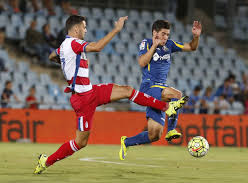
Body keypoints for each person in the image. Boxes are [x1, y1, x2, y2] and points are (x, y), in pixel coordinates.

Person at [34, 15, 187, 174]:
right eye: (84, 27)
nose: (86, 30)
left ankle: (167, 107)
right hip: (83, 99)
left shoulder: (63, 46)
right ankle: (46, 161)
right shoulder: (74, 43)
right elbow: (98, 47)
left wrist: (63, 64)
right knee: (80, 142)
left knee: (127, 90)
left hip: (89, 92)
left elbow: (52, 56)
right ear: (76, 29)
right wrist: (116, 29)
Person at [119, 20, 201, 160]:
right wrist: (154, 45)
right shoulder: (146, 43)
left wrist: (196, 37)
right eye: (163, 34)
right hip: (149, 88)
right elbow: (142, 62)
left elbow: (191, 47)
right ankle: (171, 130)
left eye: (167, 35)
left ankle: (126, 142)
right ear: (155, 33)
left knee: (154, 134)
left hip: (160, 91)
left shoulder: (170, 45)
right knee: (177, 94)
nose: (165, 38)